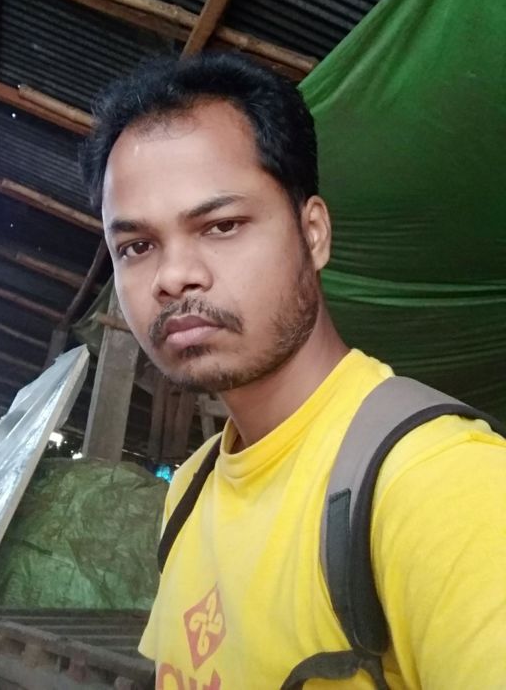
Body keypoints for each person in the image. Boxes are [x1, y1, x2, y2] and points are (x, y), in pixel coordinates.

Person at [81, 52, 506, 689]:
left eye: (221, 225)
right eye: (136, 246)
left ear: (313, 234)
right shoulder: (191, 490)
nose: (173, 276)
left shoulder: (440, 486)